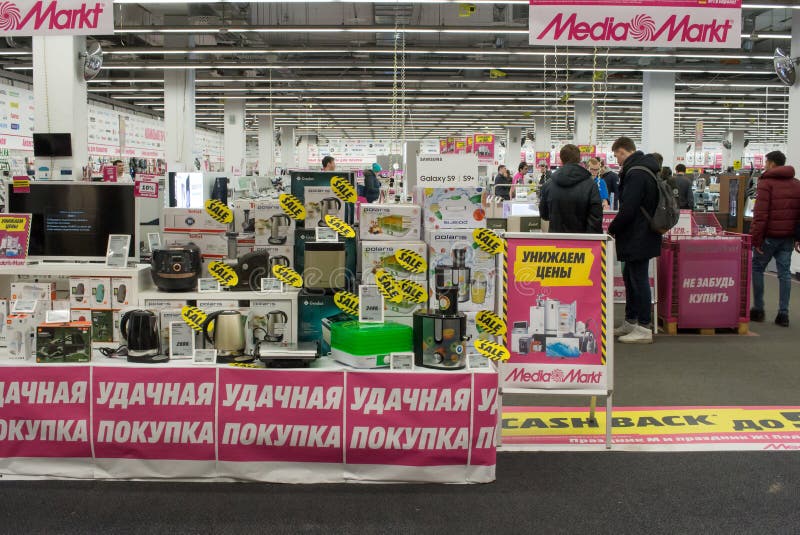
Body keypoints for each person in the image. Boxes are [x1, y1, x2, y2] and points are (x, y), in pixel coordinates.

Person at [607, 137, 662, 344]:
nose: (616, 160)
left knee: (638, 280)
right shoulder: (642, 169)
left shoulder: (636, 173)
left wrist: (612, 228)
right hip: (639, 233)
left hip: (639, 233)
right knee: (631, 278)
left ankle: (644, 327)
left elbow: (628, 208)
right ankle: (631, 321)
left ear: (623, 151)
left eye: (616, 155)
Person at [749, 150, 800, 327]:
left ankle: (758, 309)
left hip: (769, 236)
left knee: (757, 267)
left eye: (765, 162)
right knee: (784, 274)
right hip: (787, 237)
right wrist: (798, 237)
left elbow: (760, 214)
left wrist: (756, 240)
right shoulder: (796, 184)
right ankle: (783, 314)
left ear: (771, 163)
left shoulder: (766, 183)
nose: (764, 166)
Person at [538, 144, 602, 234]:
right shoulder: (591, 184)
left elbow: (544, 215)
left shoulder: (548, 185)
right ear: (579, 159)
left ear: (561, 159)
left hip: (556, 241)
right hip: (582, 242)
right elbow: (596, 217)